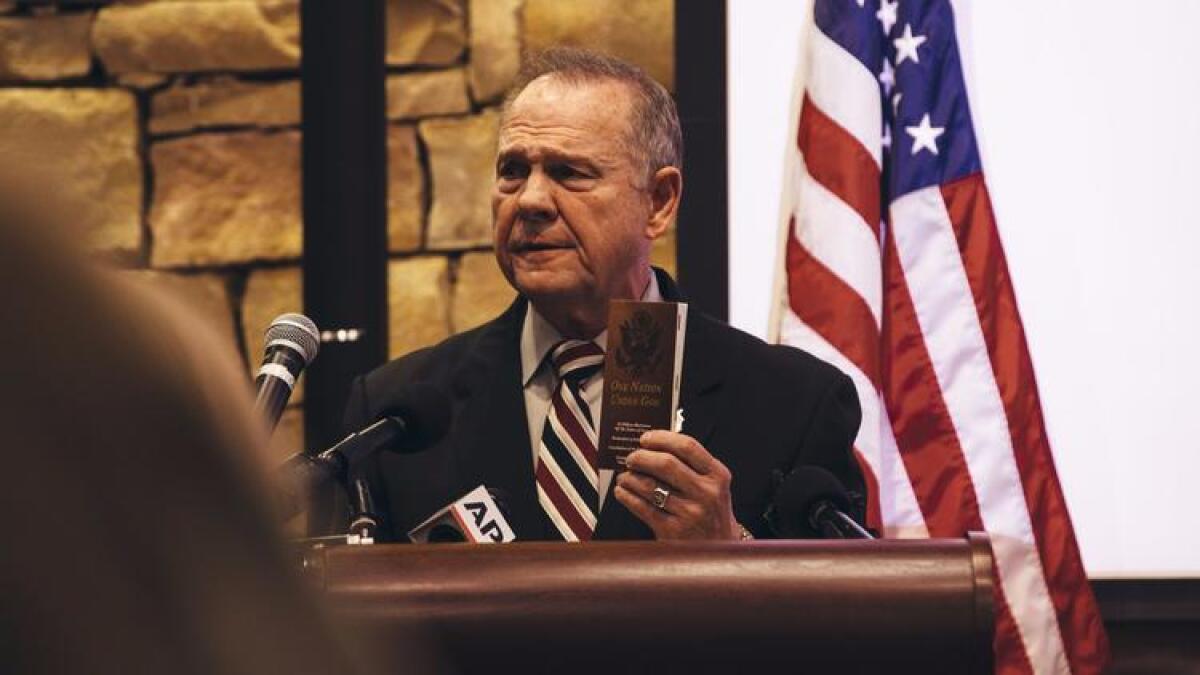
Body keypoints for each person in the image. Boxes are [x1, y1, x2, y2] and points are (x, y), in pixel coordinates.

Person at [343, 47, 864, 542]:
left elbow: (842, 602)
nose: (530, 200)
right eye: (513, 171)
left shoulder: (795, 403)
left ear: (659, 201)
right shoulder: (393, 417)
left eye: (569, 173)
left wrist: (732, 548)